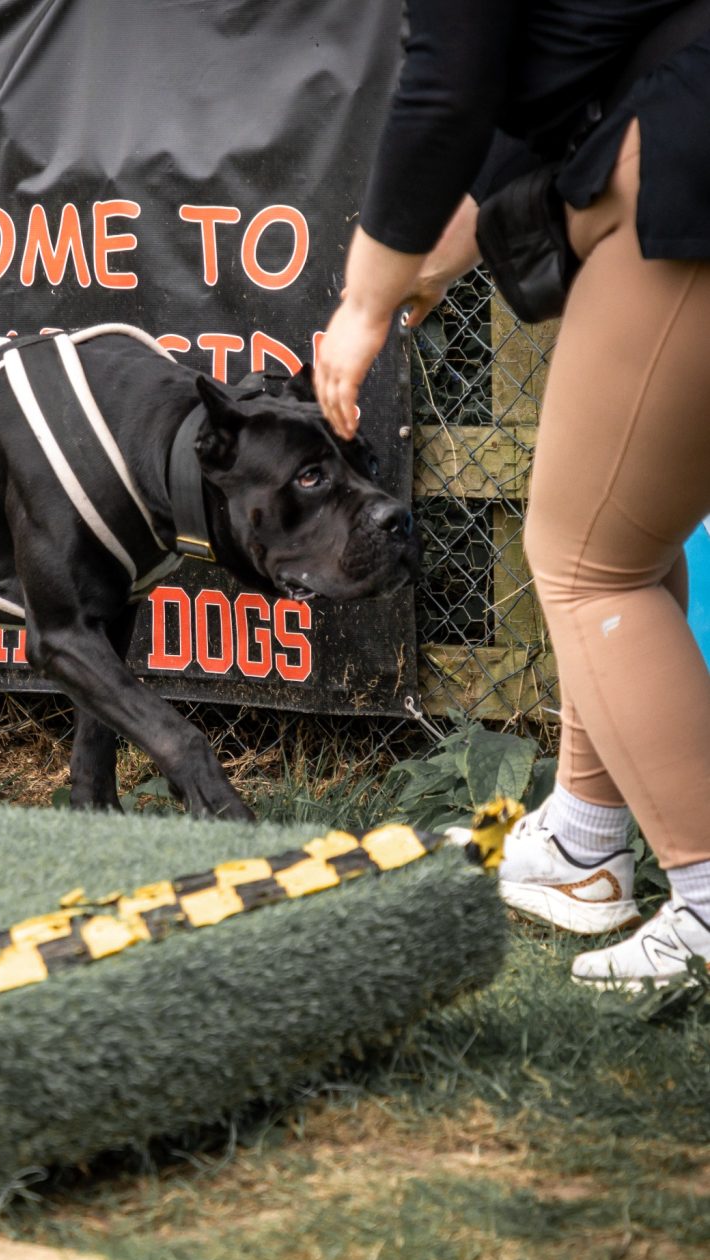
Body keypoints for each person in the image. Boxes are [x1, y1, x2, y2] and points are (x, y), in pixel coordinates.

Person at [315, 1, 710, 989]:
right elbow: (566, 57)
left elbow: (446, 85)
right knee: (621, 531)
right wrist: (454, 238)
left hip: (684, 157)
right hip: (673, 137)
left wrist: (365, 301)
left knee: (583, 565)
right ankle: (581, 847)